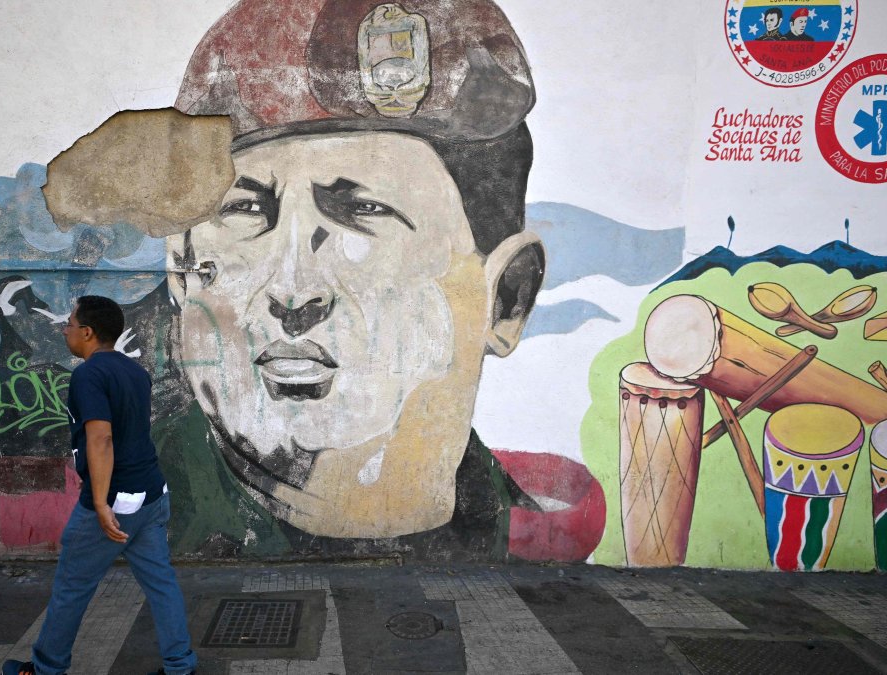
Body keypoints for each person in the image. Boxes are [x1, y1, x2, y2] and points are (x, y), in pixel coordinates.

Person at [156, 0, 604, 561]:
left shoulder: (540, 537)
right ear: (182, 271)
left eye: (363, 210)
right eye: (246, 210)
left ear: (508, 299)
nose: (292, 291)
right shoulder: (135, 504)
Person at [4, 296, 196, 675]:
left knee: (71, 588)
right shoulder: (136, 372)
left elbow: (101, 439)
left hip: (115, 502)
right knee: (161, 584)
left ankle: (45, 669)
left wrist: (100, 502)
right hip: (152, 495)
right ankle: (180, 666)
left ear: (88, 332)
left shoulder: (89, 375)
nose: (65, 330)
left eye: (70, 324)